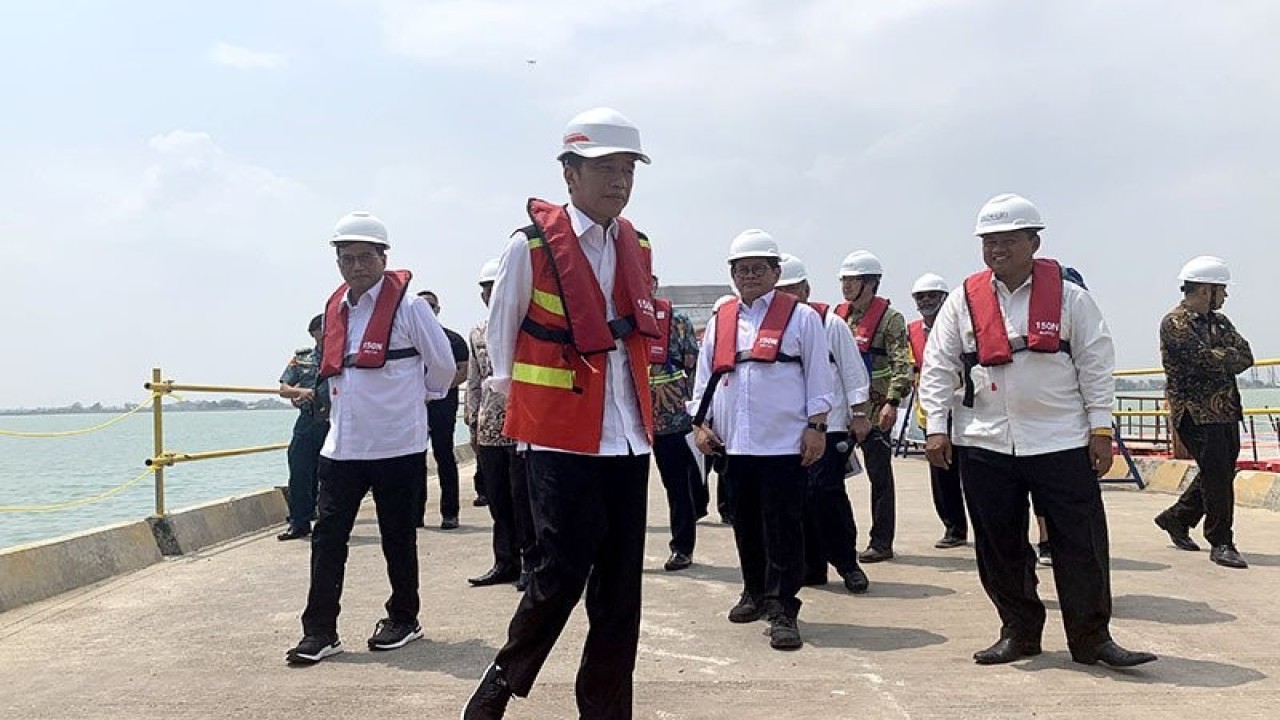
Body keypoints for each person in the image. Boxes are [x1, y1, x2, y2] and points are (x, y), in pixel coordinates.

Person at [463, 107, 659, 720]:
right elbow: (503, 338)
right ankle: (501, 682)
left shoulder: (638, 244)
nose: (619, 181)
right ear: (569, 173)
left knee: (621, 592)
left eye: (627, 168)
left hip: (628, 440)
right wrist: (521, 422)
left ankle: (604, 710)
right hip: (560, 442)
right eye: (605, 167)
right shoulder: (530, 246)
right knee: (558, 575)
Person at [919, 193, 1155, 668]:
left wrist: (1100, 429)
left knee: (1080, 543)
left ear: (1034, 241)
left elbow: (1095, 363)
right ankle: (1019, 632)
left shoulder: (1071, 299)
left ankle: (1092, 639)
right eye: (989, 241)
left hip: (1060, 439)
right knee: (999, 543)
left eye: (1007, 239)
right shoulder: (963, 303)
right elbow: (939, 366)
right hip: (984, 439)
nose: (997, 249)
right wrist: (936, 428)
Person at [285, 211, 457, 665]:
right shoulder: (336, 306)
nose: (356, 266)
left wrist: (420, 399)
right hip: (342, 445)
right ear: (338, 262)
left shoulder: (411, 308)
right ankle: (320, 631)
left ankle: (404, 618)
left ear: (384, 257)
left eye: (365, 257)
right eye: (347, 258)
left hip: (397, 444)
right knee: (327, 538)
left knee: (397, 536)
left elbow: (441, 364)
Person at [691, 231, 833, 651]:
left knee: (784, 526)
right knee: (745, 522)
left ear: (776, 272)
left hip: (783, 443)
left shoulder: (801, 318)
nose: (750, 275)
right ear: (732, 275)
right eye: (742, 269)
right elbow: (705, 379)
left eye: (759, 268)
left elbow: (819, 379)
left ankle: (784, 607)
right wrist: (700, 426)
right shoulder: (722, 320)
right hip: (736, 444)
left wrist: (817, 427)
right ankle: (753, 590)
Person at [774, 253, 872, 594]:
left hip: (828, 426)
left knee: (825, 494)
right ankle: (811, 567)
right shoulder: (771, 327)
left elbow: (852, 371)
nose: (787, 298)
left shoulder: (830, 323)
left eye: (793, 290)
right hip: (787, 431)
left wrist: (859, 415)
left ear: (806, 289)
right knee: (797, 501)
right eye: (780, 291)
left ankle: (847, 563)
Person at [1154, 256, 1253, 569]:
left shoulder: (1220, 322)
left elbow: (1246, 356)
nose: (1224, 297)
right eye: (1221, 290)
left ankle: (1176, 518)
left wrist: (1220, 355)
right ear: (1206, 290)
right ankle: (1221, 541)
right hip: (1195, 413)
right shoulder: (1175, 323)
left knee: (1221, 471)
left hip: (1226, 410)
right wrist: (1224, 356)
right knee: (1217, 473)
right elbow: (1201, 361)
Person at [834, 250, 913, 563]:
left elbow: (901, 363)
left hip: (876, 410)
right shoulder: (839, 317)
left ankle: (881, 542)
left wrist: (892, 402)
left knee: (880, 478)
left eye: (852, 280)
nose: (846, 286)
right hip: (844, 410)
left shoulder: (890, 320)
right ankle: (838, 540)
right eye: (844, 280)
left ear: (870, 283)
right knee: (829, 476)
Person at [465, 258, 534, 588]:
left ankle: (530, 563)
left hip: (523, 428)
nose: (490, 295)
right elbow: (474, 380)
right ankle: (504, 561)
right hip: (490, 429)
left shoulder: (527, 327)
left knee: (525, 501)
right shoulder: (477, 332)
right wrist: (472, 422)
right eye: (485, 290)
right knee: (498, 499)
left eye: (496, 288)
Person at [907, 273, 968, 549]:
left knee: (973, 471)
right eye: (921, 297)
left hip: (964, 406)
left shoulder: (962, 326)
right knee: (941, 471)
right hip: (932, 410)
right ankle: (953, 528)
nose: (927, 301)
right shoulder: (911, 332)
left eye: (932, 296)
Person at [649, 274, 703, 572]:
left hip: (672, 418)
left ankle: (682, 548)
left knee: (677, 487)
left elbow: (695, 371)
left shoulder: (676, 321)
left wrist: (697, 416)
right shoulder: (618, 319)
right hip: (631, 420)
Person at [416, 289, 470, 530]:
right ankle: (414, 513)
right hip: (414, 408)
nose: (427, 309)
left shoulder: (453, 339)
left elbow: (463, 371)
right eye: (422, 305)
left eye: (431, 306)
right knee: (413, 460)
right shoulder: (407, 338)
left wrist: (435, 390)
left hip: (442, 407)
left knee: (444, 457)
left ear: (437, 310)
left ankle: (450, 513)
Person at [276, 314, 331, 541]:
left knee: (333, 474)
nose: (326, 332)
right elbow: (283, 388)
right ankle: (299, 522)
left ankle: (329, 521)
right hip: (309, 420)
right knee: (299, 470)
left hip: (337, 420)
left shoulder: (345, 355)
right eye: (322, 328)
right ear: (314, 332)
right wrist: (299, 392)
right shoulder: (301, 359)